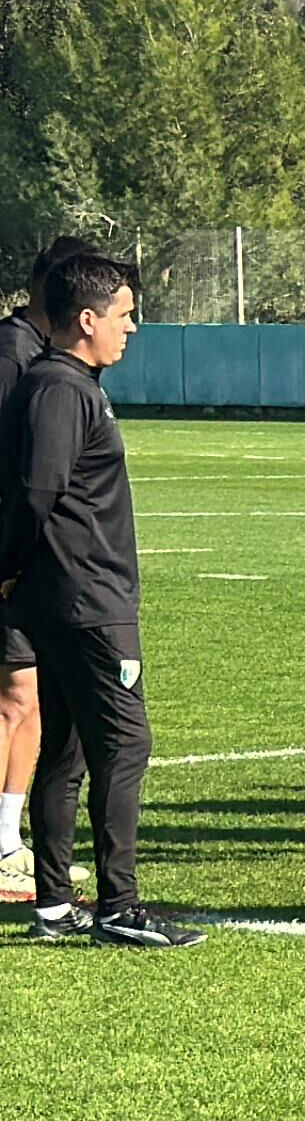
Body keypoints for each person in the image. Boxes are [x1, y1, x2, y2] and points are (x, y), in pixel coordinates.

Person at [0, 251, 192, 947]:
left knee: (67, 748)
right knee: (124, 744)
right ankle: (119, 907)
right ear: (87, 319)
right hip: (86, 598)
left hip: (70, 595)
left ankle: (54, 906)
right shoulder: (60, 387)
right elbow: (37, 491)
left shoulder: (67, 383)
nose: (132, 327)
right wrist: (7, 568)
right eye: (124, 314)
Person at [0, 243, 79, 901]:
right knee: (14, 696)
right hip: (13, 555)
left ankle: (7, 840)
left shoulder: (43, 355)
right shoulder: (13, 355)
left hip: (33, 559)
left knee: (26, 697)